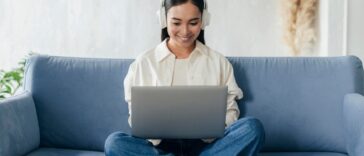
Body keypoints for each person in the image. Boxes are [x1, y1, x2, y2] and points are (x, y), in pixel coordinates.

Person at [104, 0, 265, 155]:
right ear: (163, 19)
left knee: (252, 128)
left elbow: (231, 112)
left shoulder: (219, 62)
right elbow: (136, 118)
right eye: (176, 23)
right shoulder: (144, 63)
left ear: (204, 20)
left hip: (207, 146)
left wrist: (211, 128)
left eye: (193, 23)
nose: (185, 31)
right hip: (159, 148)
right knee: (114, 143)